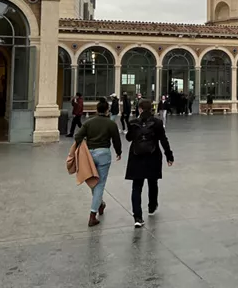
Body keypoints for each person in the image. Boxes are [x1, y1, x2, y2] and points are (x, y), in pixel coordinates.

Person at [74, 98, 123, 227]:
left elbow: (77, 136)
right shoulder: (111, 124)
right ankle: (92, 214)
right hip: (104, 154)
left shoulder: (89, 123)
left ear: (97, 109)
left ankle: (100, 203)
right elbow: (116, 140)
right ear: (107, 110)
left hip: (90, 155)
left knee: (93, 181)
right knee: (100, 184)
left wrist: (85, 145)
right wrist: (119, 152)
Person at [125, 99, 174, 228]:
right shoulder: (157, 123)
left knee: (137, 186)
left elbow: (129, 138)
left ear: (140, 109)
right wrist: (169, 155)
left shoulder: (133, 123)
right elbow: (163, 140)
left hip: (136, 157)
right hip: (153, 156)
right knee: (153, 182)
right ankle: (152, 206)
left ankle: (137, 216)